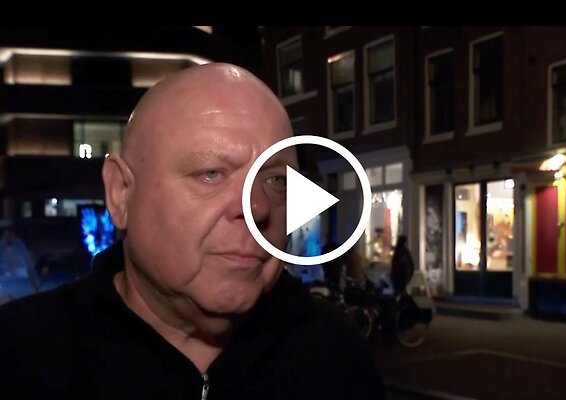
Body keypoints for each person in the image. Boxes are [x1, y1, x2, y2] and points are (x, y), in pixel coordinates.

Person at [0, 63, 386, 399]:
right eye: (211, 174)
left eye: (276, 180)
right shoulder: (20, 355)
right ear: (121, 193)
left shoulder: (335, 355)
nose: (257, 207)